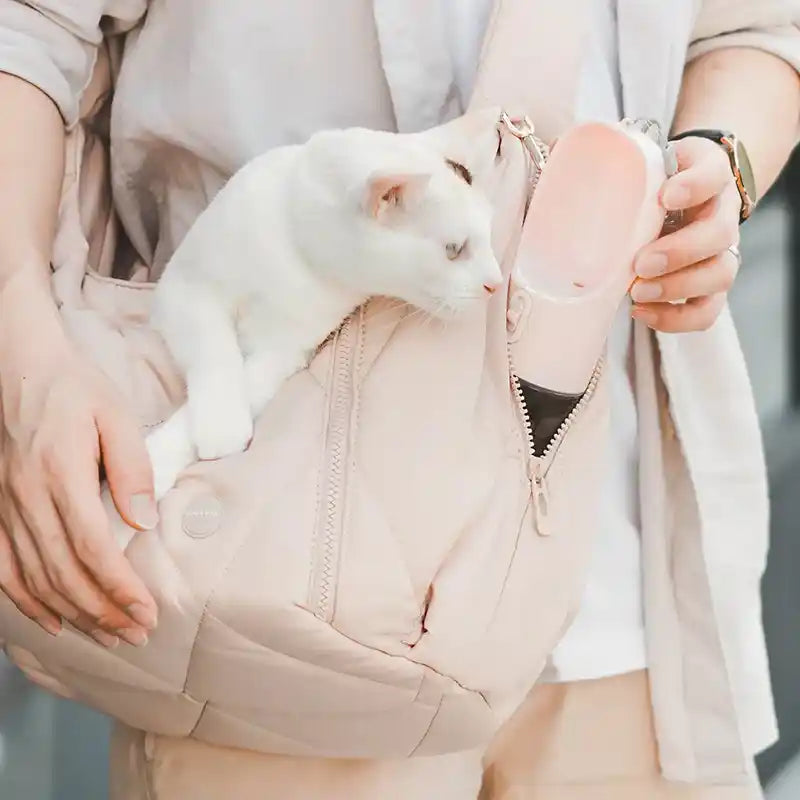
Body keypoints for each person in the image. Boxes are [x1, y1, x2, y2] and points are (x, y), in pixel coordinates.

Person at [0, 2, 798, 798]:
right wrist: (25, 355)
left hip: (620, 592)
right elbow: (27, 31)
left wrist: (722, 163)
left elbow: (757, 27)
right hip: (273, 585)